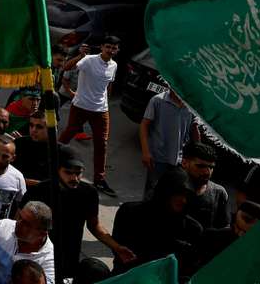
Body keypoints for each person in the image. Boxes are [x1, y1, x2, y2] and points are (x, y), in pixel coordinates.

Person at [21, 145, 134, 282]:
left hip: (69, 258)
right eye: (68, 172)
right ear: (57, 171)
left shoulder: (88, 193)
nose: (74, 178)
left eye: (78, 173)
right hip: (38, 256)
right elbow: (18, 223)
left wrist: (116, 247)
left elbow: (94, 225)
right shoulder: (38, 192)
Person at [57, 37, 120, 196]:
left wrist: (107, 102)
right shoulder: (89, 60)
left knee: (102, 144)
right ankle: (51, 162)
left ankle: (99, 180)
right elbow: (65, 67)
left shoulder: (114, 65)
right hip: (81, 106)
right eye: (108, 47)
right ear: (101, 47)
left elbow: (108, 86)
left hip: (101, 110)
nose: (110, 50)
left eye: (114, 48)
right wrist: (79, 56)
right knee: (67, 135)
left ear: (117, 50)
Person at [110, 168, 203, 276]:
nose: (183, 200)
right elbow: (121, 252)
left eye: (188, 196)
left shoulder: (192, 229)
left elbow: (189, 270)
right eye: (179, 194)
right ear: (165, 192)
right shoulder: (130, 212)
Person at [140, 88, 196, 197]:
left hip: (180, 161)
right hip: (158, 158)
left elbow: (194, 129)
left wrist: (196, 156)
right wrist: (146, 152)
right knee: (152, 193)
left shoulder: (191, 105)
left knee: (173, 194)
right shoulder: (157, 101)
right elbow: (144, 125)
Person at [0, 201, 55, 284]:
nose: (18, 223)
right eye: (20, 217)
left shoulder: (49, 263)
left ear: (41, 234)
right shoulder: (3, 226)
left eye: (26, 224)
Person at [181, 142, 230, 231]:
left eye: (211, 167)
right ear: (184, 163)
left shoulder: (219, 192)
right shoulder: (169, 187)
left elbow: (223, 228)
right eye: (201, 166)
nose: (207, 172)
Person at [0, 134, 26, 228]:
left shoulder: (17, 178)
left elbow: (22, 205)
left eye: (5, 156)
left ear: (13, 158)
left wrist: (12, 227)